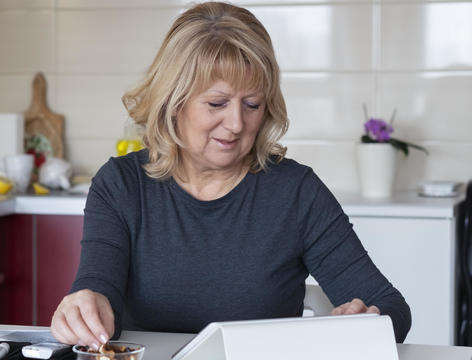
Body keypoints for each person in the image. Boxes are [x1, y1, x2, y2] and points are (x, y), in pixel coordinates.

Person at [51, 1, 411, 350]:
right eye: (217, 103)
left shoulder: (296, 192)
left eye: (252, 104)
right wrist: (84, 306)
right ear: (174, 102)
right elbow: (98, 288)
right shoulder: (121, 185)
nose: (237, 124)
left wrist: (369, 317)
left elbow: (390, 305)